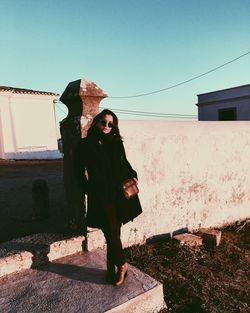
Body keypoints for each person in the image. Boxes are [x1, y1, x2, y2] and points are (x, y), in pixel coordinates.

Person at [74, 109, 142, 286]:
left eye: (110, 124)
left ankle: (111, 267)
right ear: (97, 122)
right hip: (100, 194)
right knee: (110, 230)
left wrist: (132, 174)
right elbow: (77, 170)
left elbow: (124, 163)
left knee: (114, 231)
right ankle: (122, 265)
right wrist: (87, 188)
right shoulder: (84, 144)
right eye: (103, 122)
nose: (106, 126)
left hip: (118, 193)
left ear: (114, 126)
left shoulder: (116, 143)